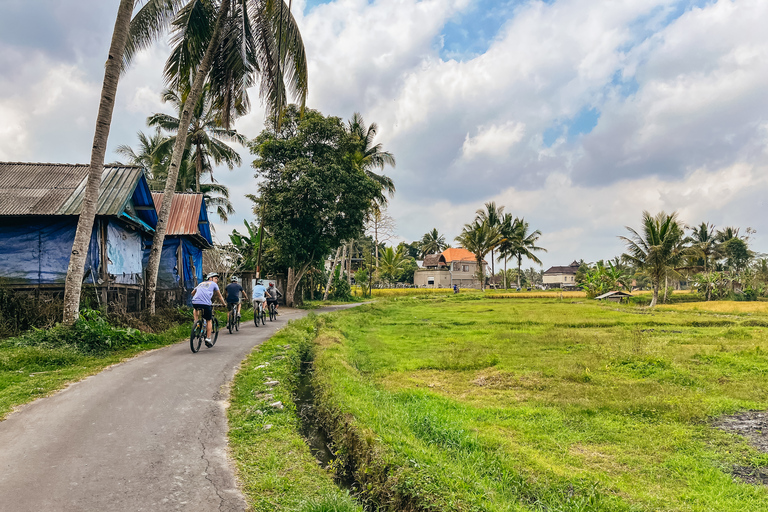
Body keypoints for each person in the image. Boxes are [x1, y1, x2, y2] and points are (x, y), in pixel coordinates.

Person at [191, 272, 226, 347]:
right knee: (208, 320)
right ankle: (208, 338)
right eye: (215, 278)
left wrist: (197, 297)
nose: (217, 280)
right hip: (206, 304)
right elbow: (219, 296)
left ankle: (196, 322)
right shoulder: (213, 284)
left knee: (196, 308)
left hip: (195, 302)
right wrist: (224, 304)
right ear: (210, 278)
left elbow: (192, 293)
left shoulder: (201, 283)